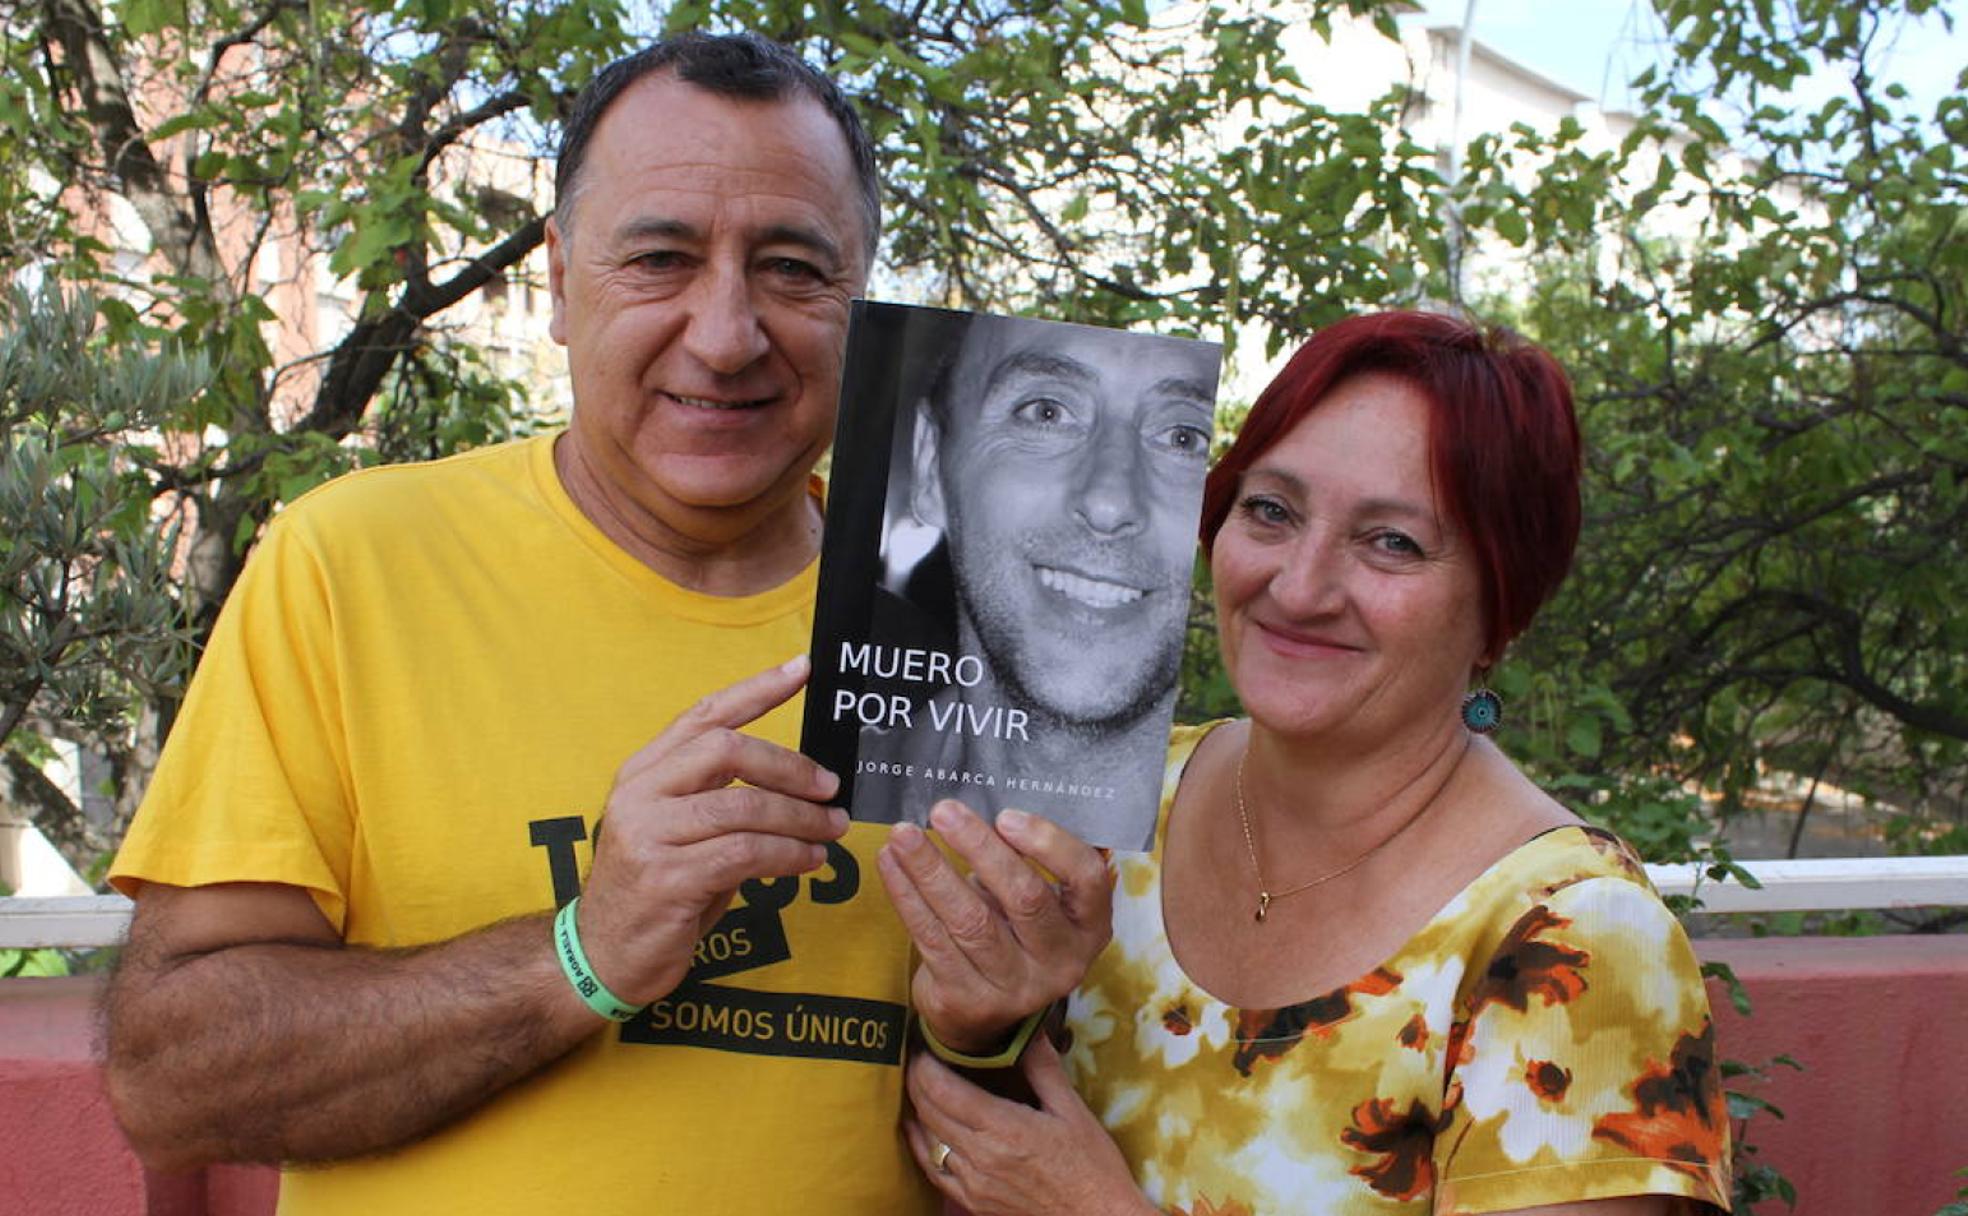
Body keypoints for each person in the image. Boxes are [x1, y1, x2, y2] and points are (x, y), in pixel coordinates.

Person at [99, 33, 1107, 1215]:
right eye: (661, 258)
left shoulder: (972, 615)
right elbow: (169, 1079)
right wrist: (586, 949)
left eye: (792, 269)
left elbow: (994, 1141)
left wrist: (988, 1027)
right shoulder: (353, 563)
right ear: (561, 279)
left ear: (861, 306)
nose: (727, 335)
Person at [891, 311, 1734, 1214]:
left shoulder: (1572, 941)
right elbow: (984, 1163)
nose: (1298, 587)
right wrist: (978, 1027)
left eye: (1393, 542)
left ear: (1503, 609)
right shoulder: (1117, 803)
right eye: (1271, 511)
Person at [859, 311, 1218, 849]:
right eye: (1045, 412)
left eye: (1183, 436)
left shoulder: (1253, 842)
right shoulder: (823, 795)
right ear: (932, 466)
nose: (1110, 502)